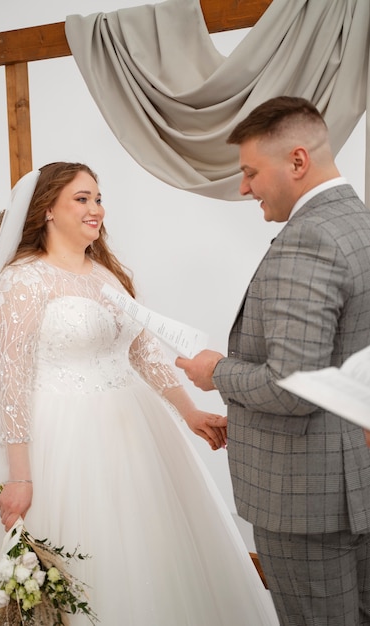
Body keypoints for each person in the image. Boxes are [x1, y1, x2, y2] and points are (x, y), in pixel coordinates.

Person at [0, 161, 278, 625]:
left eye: (98, 198)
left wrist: (190, 413)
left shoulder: (107, 275)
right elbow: (11, 379)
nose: (95, 209)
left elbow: (143, 351)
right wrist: (19, 477)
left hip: (134, 431)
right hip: (56, 437)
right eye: (81, 199)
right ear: (47, 210)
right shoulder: (22, 281)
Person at [176, 96, 370, 626]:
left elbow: (294, 385)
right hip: (351, 478)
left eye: (250, 172)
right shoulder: (357, 221)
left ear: (298, 162)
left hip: (305, 502)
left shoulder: (308, 238)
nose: (244, 188)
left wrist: (214, 371)